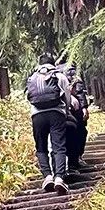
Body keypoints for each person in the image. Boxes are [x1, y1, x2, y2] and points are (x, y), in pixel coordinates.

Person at [25, 55, 70, 194]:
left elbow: (29, 97)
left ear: (39, 64)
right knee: (59, 146)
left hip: (37, 116)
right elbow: (67, 97)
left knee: (41, 147)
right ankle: (59, 178)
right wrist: (66, 112)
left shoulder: (32, 77)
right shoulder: (59, 76)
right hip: (56, 113)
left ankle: (47, 176)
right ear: (53, 64)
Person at [62, 62, 91, 172]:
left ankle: (66, 164)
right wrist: (84, 107)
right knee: (80, 132)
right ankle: (75, 160)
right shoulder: (71, 70)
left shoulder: (54, 72)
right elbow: (79, 89)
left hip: (60, 110)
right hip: (75, 109)